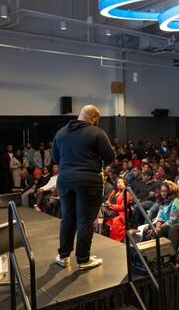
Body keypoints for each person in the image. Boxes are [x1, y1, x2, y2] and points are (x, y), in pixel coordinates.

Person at [52, 104, 115, 270]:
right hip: (88, 181)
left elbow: (55, 157)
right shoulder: (97, 133)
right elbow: (110, 157)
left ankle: (63, 256)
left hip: (65, 180)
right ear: (94, 118)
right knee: (85, 220)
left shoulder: (61, 133)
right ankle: (83, 259)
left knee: (68, 218)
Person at [103, 177, 131, 242]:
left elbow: (122, 207)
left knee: (103, 213)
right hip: (111, 210)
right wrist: (107, 203)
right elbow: (108, 200)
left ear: (124, 184)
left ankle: (102, 230)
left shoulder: (126, 193)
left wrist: (110, 205)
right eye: (118, 182)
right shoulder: (114, 191)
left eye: (122, 182)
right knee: (101, 209)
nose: (120, 184)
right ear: (116, 184)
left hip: (119, 212)